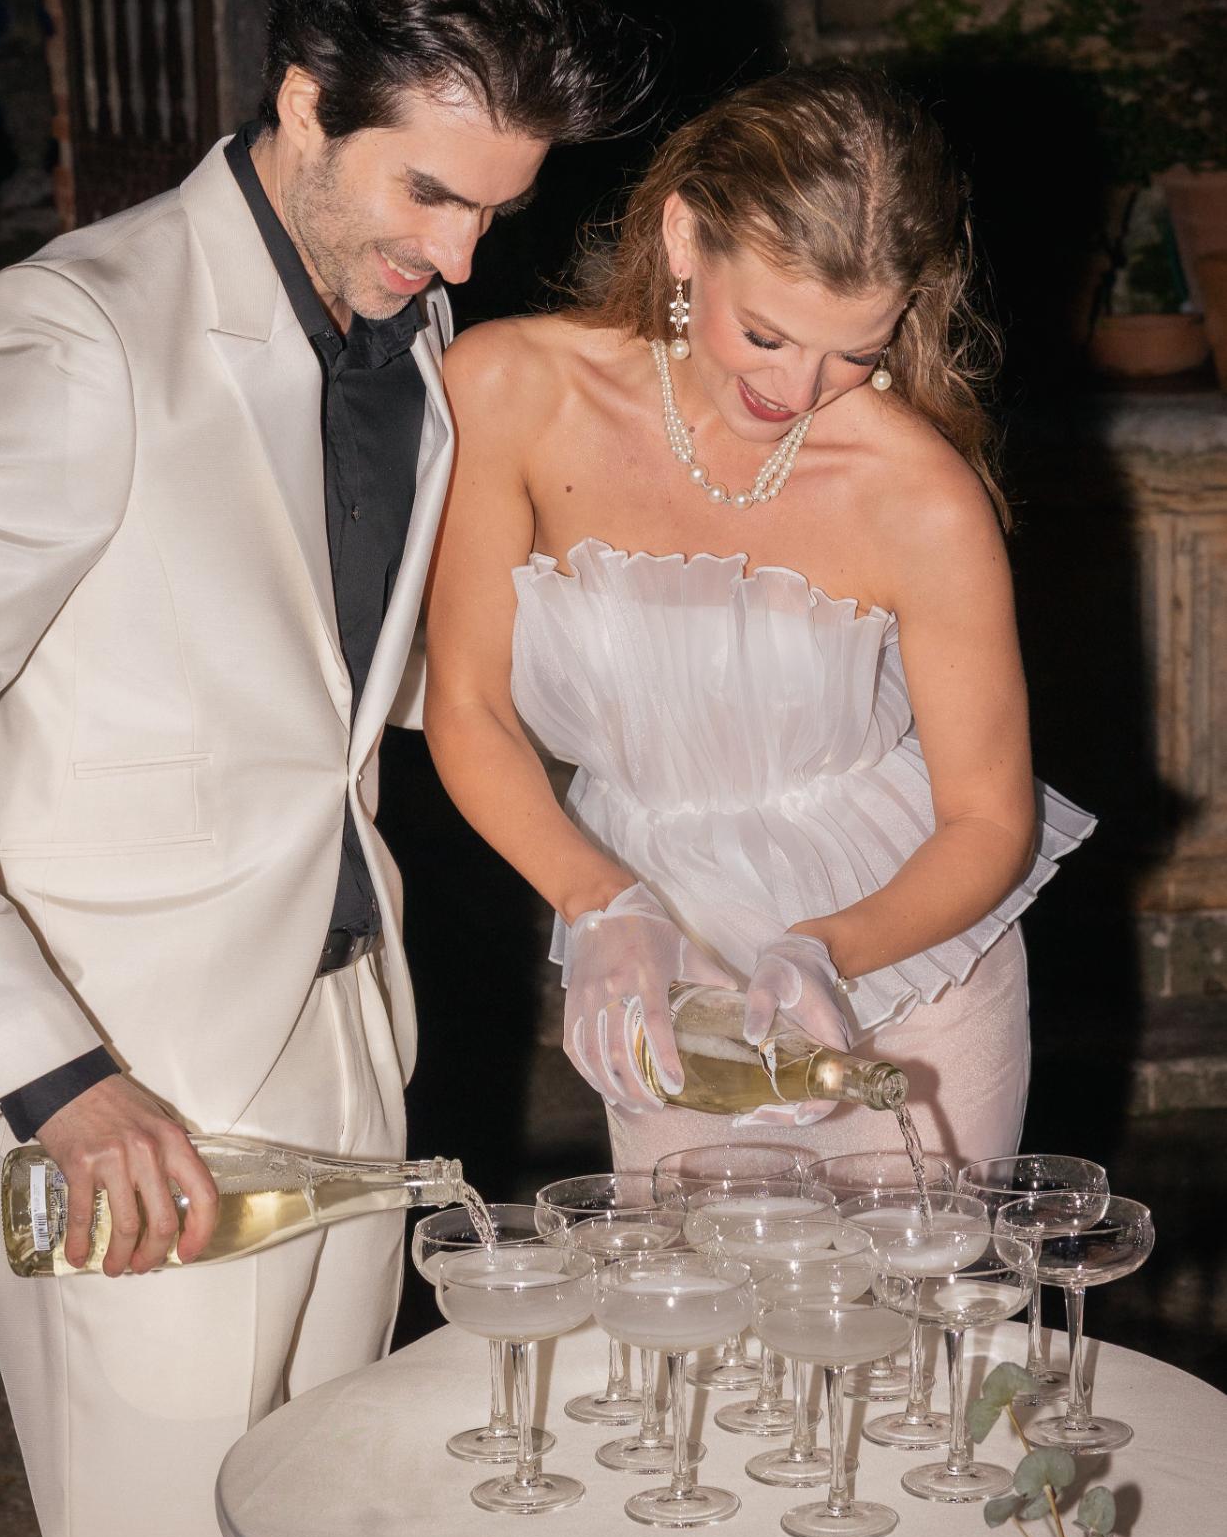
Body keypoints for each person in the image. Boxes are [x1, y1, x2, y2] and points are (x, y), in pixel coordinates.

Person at [0, 0, 647, 1537]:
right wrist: (52, 1078)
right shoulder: (83, 334)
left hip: (348, 1029)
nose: (461, 258)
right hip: (127, 1077)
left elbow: (346, 683)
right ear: (304, 101)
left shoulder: (412, 321)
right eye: (431, 192)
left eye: (497, 211)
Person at [425, 65, 1093, 1176]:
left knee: (921, 1292)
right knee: (683, 1290)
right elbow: (468, 707)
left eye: (858, 351)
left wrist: (826, 949)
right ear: (685, 237)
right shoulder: (508, 390)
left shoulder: (920, 497)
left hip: (903, 982)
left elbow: (987, 820)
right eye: (770, 334)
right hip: (664, 978)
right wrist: (602, 905)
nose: (801, 388)